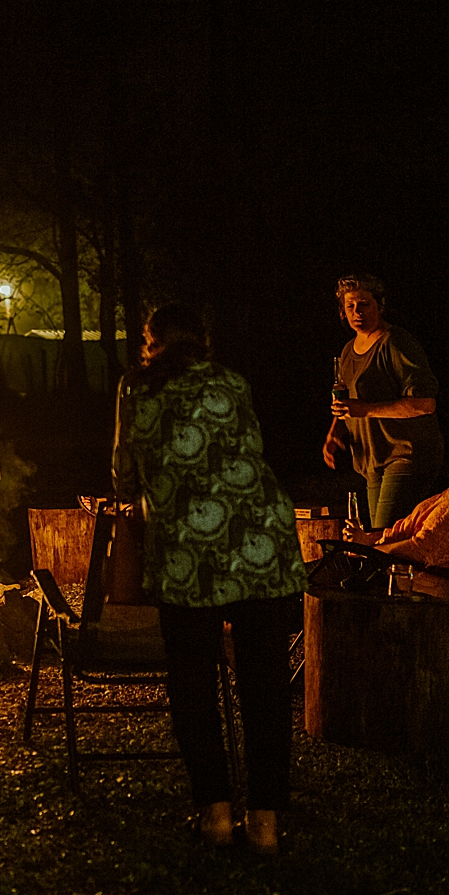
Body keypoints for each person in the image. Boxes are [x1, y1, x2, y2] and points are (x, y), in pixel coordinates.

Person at [113, 302, 308, 855]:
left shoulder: (136, 389)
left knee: (194, 686)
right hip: (260, 542)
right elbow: (252, 451)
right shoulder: (233, 381)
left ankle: (217, 815)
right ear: (202, 341)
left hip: (186, 552)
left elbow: (124, 476)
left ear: (151, 343)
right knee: (263, 686)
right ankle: (266, 823)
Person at [322, 273, 445, 530]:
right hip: (373, 457)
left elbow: (424, 403)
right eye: (350, 306)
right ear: (343, 311)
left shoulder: (396, 343)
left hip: (406, 453)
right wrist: (335, 433)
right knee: (379, 536)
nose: (357, 311)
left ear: (379, 305)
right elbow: (348, 404)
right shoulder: (348, 350)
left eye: (364, 304)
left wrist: (365, 410)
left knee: (384, 535)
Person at [337, 406, 449, 600]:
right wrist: (367, 540)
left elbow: (423, 549)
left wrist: (368, 551)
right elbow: (416, 537)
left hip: (405, 581)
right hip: (396, 568)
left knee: (316, 574)